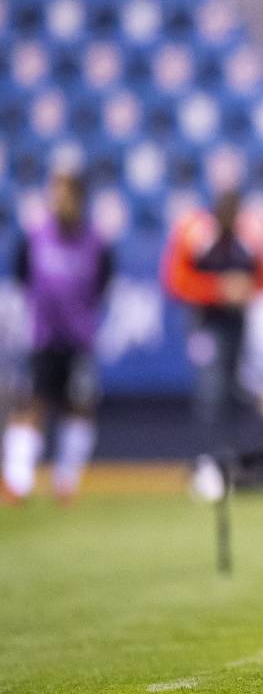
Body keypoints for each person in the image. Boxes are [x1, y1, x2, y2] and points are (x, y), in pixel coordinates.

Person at [2, 167, 113, 505]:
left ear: (80, 199)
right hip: (41, 339)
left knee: (78, 407)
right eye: (56, 194)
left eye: (67, 195)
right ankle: (17, 481)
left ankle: (66, 480)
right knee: (31, 404)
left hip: (79, 341)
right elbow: (23, 280)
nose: (60, 201)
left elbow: (102, 286)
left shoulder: (95, 244)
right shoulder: (34, 239)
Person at [161, 190, 263, 500]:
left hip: (237, 322)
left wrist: (245, 288)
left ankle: (230, 461)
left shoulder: (251, 234)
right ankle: (207, 464)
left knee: (233, 392)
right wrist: (218, 289)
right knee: (210, 392)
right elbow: (176, 281)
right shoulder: (196, 233)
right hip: (205, 322)